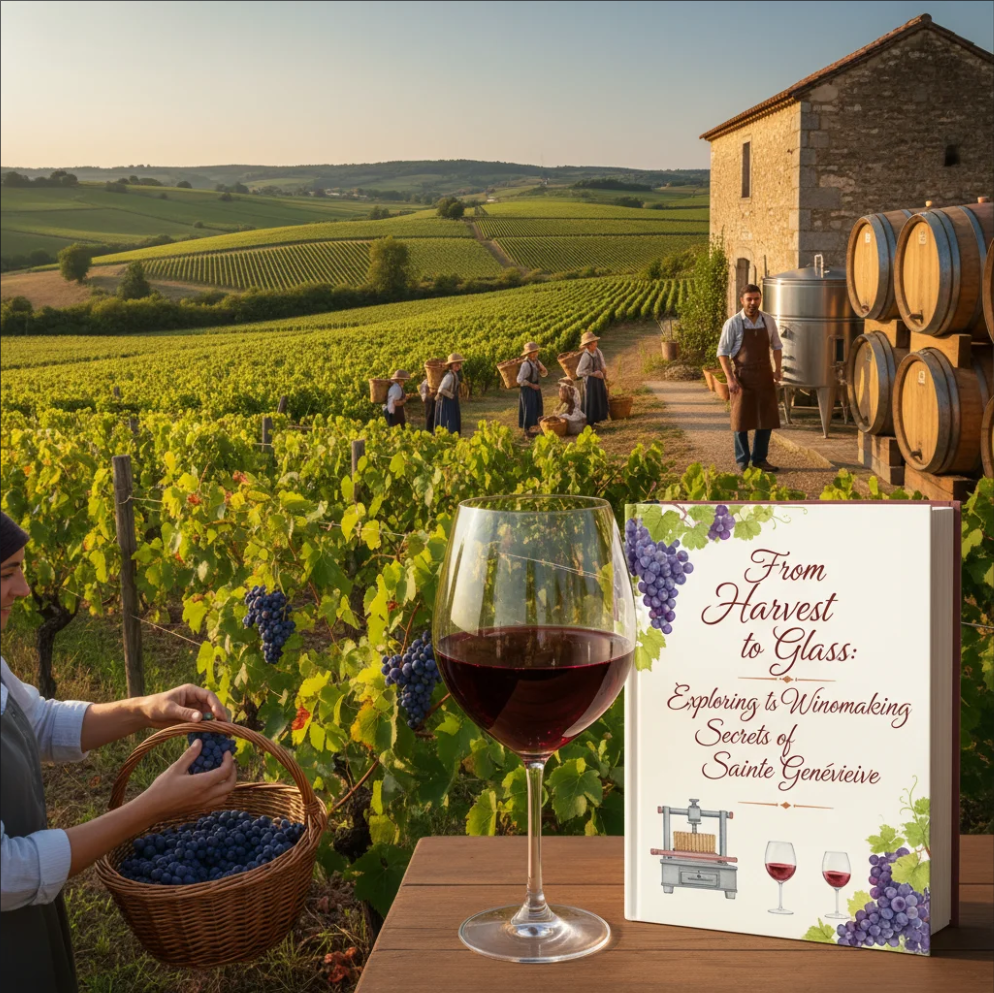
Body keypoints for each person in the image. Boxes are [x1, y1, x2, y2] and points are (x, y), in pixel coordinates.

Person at [0, 512, 237, 992]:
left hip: (24, 919)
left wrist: (143, 709)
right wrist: (149, 809)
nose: (24, 590)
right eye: (6, 574)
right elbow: (8, 872)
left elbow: (38, 721)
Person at [716, 283, 783, 472]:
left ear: (760, 299)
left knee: (766, 420)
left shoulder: (768, 321)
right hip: (742, 378)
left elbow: (777, 346)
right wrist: (730, 379)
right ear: (742, 301)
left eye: (756, 298)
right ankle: (743, 462)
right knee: (740, 421)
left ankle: (760, 459)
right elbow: (722, 353)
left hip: (764, 376)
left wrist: (777, 369)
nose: (753, 303)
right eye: (749, 299)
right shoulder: (733, 323)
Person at [575, 330, 609, 427]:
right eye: (593, 343)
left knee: (599, 398)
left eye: (595, 342)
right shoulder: (586, 356)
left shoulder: (598, 351)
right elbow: (579, 372)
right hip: (590, 381)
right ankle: (589, 422)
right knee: (591, 400)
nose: (596, 344)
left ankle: (597, 420)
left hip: (599, 380)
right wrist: (593, 374)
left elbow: (602, 364)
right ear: (588, 345)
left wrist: (604, 373)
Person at [516, 342, 548, 435]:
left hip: (535, 387)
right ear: (527, 354)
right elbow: (519, 380)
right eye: (531, 352)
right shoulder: (525, 365)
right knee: (529, 408)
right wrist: (531, 385)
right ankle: (528, 431)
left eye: (535, 352)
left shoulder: (537, 361)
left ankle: (536, 428)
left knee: (537, 407)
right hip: (527, 389)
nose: (534, 354)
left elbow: (544, 373)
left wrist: (544, 371)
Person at [434, 353, 464, 435]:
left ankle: (453, 435)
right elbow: (441, 389)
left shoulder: (455, 375)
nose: (458, 365)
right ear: (451, 365)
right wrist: (451, 396)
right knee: (448, 419)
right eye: (456, 363)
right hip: (446, 401)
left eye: (459, 363)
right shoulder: (449, 376)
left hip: (452, 400)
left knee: (453, 417)